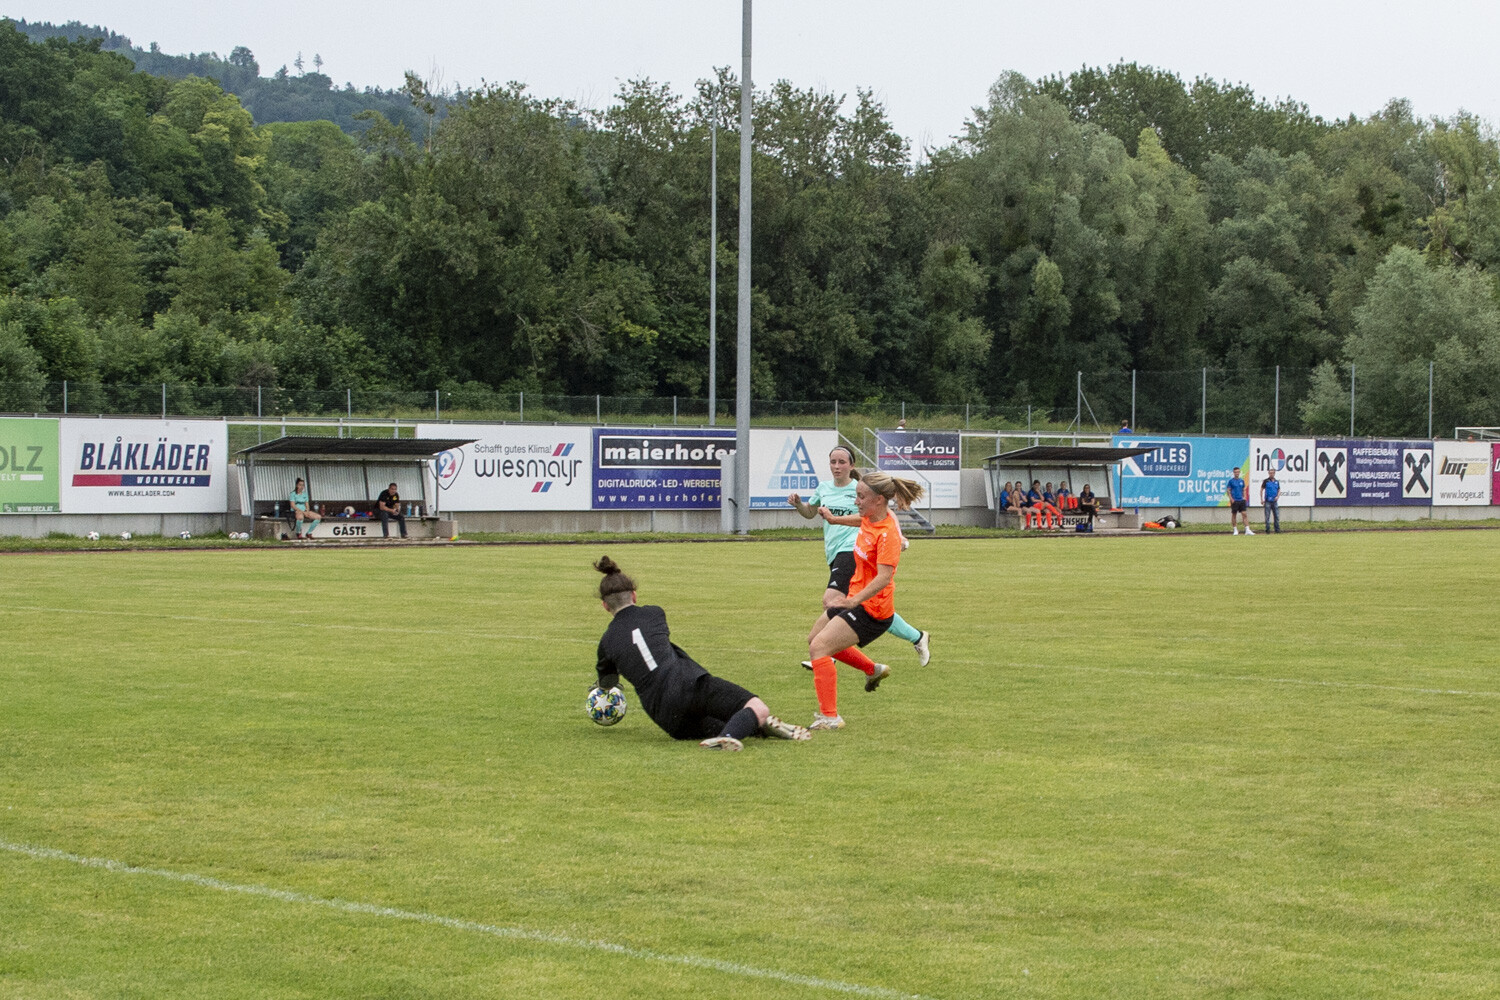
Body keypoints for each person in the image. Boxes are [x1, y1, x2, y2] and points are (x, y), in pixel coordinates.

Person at [591, 556, 810, 751]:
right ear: (634, 595)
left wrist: (602, 687)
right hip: (688, 684)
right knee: (757, 708)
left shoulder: (607, 642)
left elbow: (608, 682)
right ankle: (734, 734)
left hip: (665, 715)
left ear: (605, 606)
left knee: (719, 724)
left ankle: (746, 731)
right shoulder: (654, 613)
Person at [788, 446, 931, 667]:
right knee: (872, 608)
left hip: (851, 551)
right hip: (836, 552)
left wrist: (899, 537)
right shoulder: (824, 488)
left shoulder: (864, 490)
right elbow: (812, 513)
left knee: (832, 602)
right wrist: (807, 508)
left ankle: (828, 651)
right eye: (833, 462)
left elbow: (886, 515)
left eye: (842, 462)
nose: (837, 466)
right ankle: (915, 638)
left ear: (852, 465)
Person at [803, 470, 924, 730]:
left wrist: (852, 601)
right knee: (814, 640)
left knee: (820, 648)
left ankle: (830, 718)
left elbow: (884, 577)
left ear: (878, 500)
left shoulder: (887, 533)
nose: (856, 501)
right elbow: (860, 520)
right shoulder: (870, 518)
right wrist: (834, 520)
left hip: (872, 609)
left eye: (861, 497)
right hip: (856, 600)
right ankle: (872, 670)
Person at [1226, 466, 1253, 535]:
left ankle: (1247, 529)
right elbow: (1228, 490)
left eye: (1238, 472)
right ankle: (1235, 530)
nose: (1237, 473)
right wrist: (1231, 499)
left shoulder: (1241, 481)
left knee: (1244, 514)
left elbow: (1243, 489)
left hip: (1241, 500)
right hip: (1235, 500)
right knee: (1234, 514)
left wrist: (1244, 497)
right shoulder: (1231, 481)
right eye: (1235, 472)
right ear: (1233, 473)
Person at [1260, 469, 1282, 533]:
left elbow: (1279, 490)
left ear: (1274, 473)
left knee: (1276, 516)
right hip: (1268, 501)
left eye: (1272, 473)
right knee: (1267, 516)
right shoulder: (1266, 481)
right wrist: (1261, 499)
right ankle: (1268, 529)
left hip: (1274, 501)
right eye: (1270, 473)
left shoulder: (1276, 482)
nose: (1271, 474)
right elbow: (1261, 490)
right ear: (1268, 473)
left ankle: (1277, 529)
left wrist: (1277, 496)